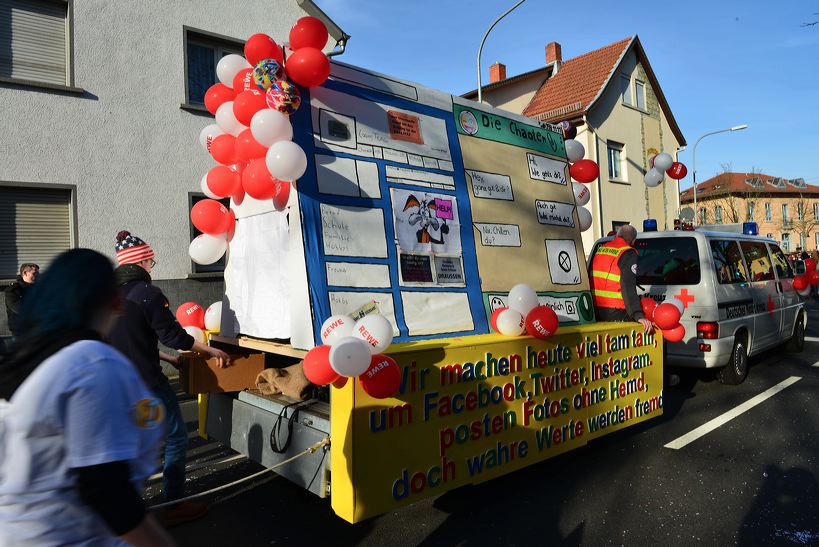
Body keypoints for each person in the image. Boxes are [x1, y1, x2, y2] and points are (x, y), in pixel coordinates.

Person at [0, 249, 176, 546]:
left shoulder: (27, 357)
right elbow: (107, 490)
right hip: (71, 536)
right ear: (112, 301)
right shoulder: (91, 363)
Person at [107, 230, 230, 526]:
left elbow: (133, 339)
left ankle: (122, 507)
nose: (153, 266)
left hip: (115, 387)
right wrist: (211, 351)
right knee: (175, 438)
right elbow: (175, 337)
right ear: (143, 262)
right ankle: (174, 504)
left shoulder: (108, 297)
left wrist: (167, 358)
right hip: (147, 386)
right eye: (152, 261)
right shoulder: (147, 294)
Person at [590, 224, 653, 334]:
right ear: (633, 241)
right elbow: (627, 284)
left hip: (595, 309)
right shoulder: (627, 253)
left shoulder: (602, 249)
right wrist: (638, 314)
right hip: (616, 311)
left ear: (616, 236)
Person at [4, 262, 39, 337]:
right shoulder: (13, 290)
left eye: (38, 274)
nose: (37, 276)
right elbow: (20, 309)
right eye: (35, 273)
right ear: (25, 273)